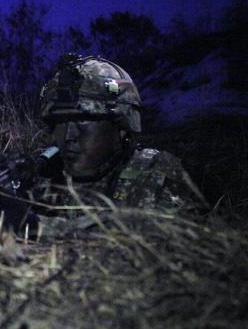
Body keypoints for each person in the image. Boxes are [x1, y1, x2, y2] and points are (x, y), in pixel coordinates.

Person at [35, 53, 208, 222]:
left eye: (83, 121)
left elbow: (148, 243)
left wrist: (36, 227)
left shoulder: (154, 171)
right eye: (60, 123)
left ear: (122, 128)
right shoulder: (47, 177)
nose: (68, 136)